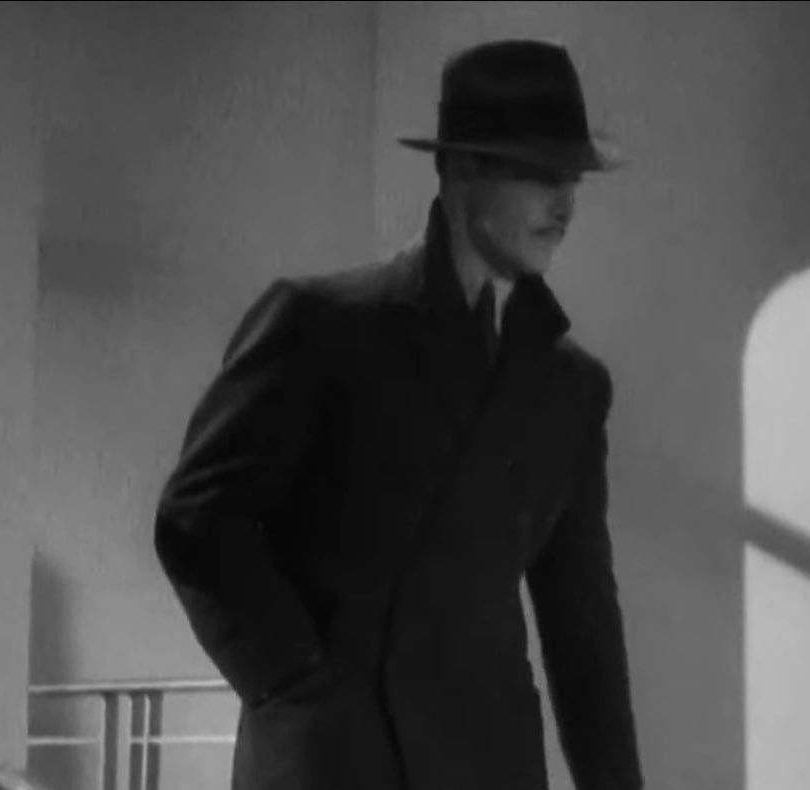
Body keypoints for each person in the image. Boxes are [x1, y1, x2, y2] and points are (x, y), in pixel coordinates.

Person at [154, 38, 643, 790]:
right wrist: (294, 686)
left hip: (489, 766)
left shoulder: (571, 387)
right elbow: (197, 520)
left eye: (572, 177)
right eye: (540, 173)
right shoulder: (322, 326)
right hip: (338, 761)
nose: (564, 204)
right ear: (464, 168)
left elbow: (582, 621)